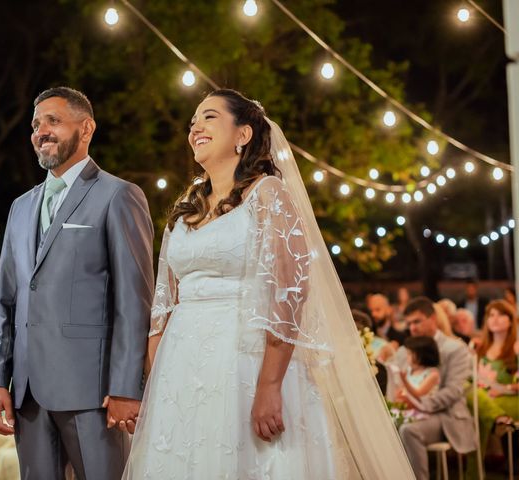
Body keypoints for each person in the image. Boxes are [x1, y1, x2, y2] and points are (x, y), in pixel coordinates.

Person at [122, 89, 414, 479]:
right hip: (181, 369)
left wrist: (270, 385)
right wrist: (157, 388)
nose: (195, 127)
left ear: (243, 134)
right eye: (192, 122)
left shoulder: (268, 194)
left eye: (208, 117)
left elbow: (289, 294)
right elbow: (162, 307)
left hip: (245, 361)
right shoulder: (185, 209)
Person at [0, 87, 154, 480]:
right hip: (27, 395)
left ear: (87, 128)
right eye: (35, 124)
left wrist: (128, 386)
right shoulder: (20, 207)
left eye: (53, 121)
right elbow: (5, 304)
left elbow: (134, 300)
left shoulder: (119, 196)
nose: (41, 131)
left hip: (92, 393)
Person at [389, 296, 476, 480]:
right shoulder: (404, 352)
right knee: (380, 425)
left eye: (417, 321)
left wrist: (419, 404)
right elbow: (395, 384)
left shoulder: (455, 349)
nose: (412, 328)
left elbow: (453, 391)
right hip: (408, 413)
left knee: (408, 430)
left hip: (445, 416)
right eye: (409, 323)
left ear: (433, 319)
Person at [465, 299, 518, 478]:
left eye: (501, 314)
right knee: (471, 393)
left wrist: (503, 389)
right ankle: (498, 419)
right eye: (491, 315)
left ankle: (473, 475)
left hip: (510, 398)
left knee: (479, 410)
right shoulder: (480, 349)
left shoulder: (516, 347)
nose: (495, 319)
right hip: (486, 399)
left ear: (511, 320)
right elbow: (470, 379)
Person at [394, 336, 441, 421]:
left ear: (421, 355)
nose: (407, 356)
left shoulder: (432, 374)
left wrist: (404, 380)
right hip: (404, 407)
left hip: (420, 411)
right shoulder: (409, 370)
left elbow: (419, 394)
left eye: (410, 353)